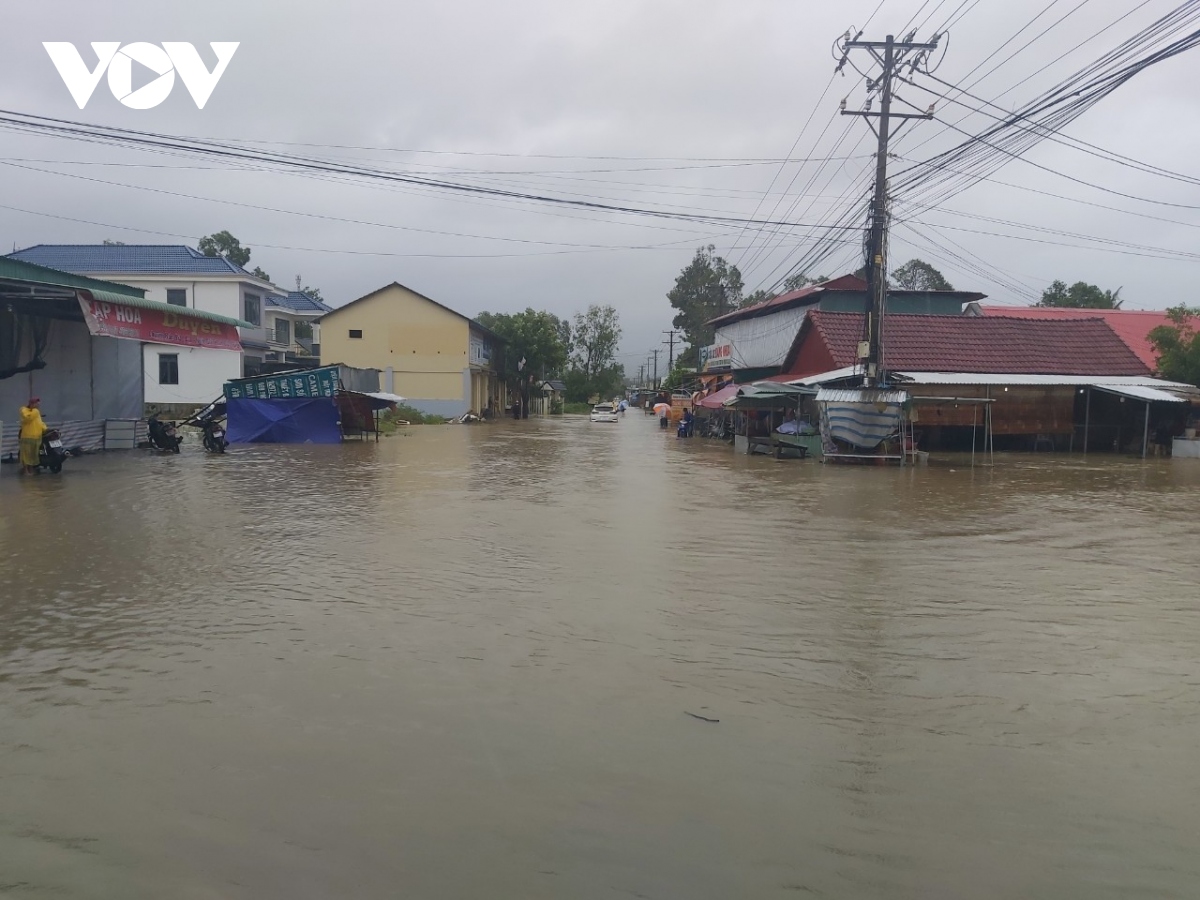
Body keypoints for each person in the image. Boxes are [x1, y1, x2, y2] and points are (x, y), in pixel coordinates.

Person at [19, 397, 46, 475]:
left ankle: (31, 470)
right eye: (37, 403)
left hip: (37, 437)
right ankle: (25, 471)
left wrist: (46, 429)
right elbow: (28, 418)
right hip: (27, 436)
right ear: (32, 404)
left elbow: (40, 423)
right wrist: (35, 411)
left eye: (38, 404)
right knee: (26, 455)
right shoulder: (24, 410)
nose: (38, 405)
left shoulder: (36, 412)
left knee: (33, 455)